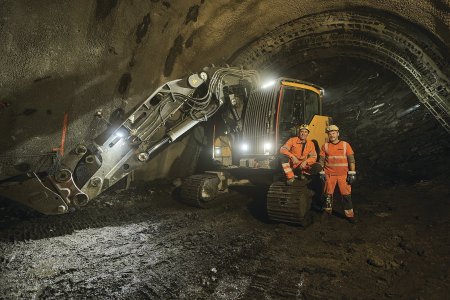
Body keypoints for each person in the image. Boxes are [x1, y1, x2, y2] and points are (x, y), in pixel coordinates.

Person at [319, 125, 357, 223]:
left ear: (338, 134)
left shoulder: (345, 145)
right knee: (328, 194)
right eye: (330, 134)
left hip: (343, 175)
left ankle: (349, 215)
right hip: (329, 174)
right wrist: (321, 172)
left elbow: (351, 160)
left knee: (346, 195)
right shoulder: (325, 146)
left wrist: (352, 173)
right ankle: (327, 212)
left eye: (333, 133)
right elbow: (321, 160)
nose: (332, 135)